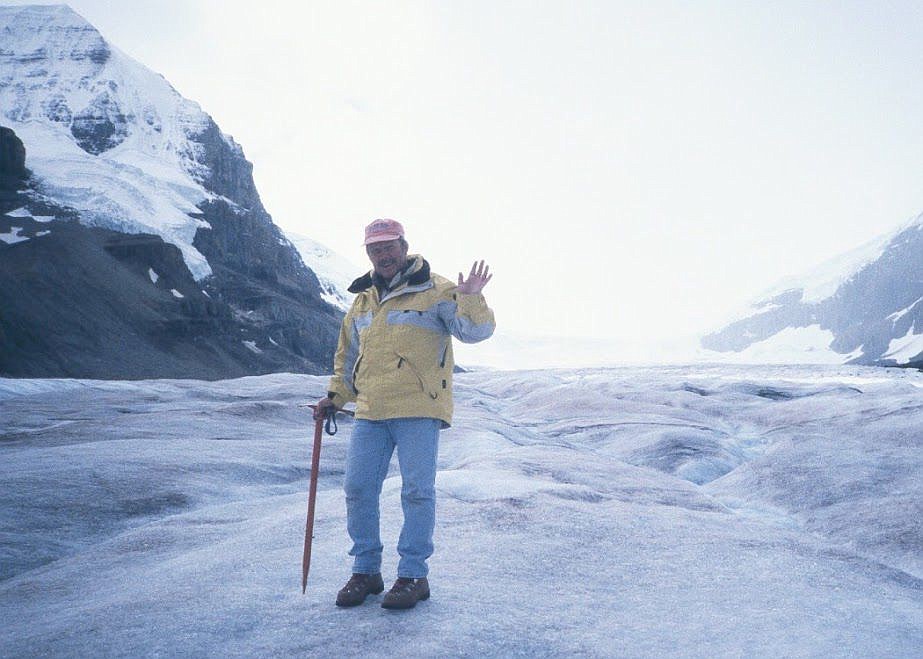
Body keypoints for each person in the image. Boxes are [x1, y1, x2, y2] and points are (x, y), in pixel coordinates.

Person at [314, 218, 495, 610]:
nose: (383, 255)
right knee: (358, 489)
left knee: (416, 492)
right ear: (368, 253)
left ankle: (414, 575)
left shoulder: (437, 289)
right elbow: (347, 358)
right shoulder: (362, 300)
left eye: (389, 247)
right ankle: (366, 571)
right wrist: (335, 396)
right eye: (375, 249)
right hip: (370, 410)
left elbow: (474, 332)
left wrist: (471, 298)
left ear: (404, 245)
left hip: (418, 407)